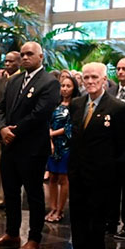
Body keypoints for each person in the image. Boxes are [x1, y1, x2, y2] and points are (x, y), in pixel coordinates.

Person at [0, 42, 61, 249]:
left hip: (31, 147)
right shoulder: (14, 81)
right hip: (9, 145)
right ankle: (12, 233)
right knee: (10, 192)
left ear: (41, 56)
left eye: (30, 54)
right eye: (22, 54)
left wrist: (14, 131)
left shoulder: (49, 82)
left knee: (34, 194)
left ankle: (34, 238)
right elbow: (0, 107)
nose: (25, 57)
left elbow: (40, 113)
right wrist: (1, 128)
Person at [60, 62, 125, 249]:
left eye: (95, 78)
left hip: (102, 174)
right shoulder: (77, 104)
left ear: (104, 80)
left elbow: (124, 144)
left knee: (97, 217)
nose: (90, 81)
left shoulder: (118, 108)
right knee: (78, 214)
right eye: (87, 77)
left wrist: (114, 170)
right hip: (78, 170)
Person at [0, 51, 21, 209]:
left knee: (14, 168)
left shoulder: (23, 80)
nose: (7, 64)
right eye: (6, 61)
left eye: (11, 61)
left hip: (14, 131)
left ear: (19, 62)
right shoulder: (1, 81)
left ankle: (13, 198)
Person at [45, 75, 80, 223]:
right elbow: (48, 120)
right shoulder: (55, 104)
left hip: (67, 145)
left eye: (68, 86)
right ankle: (52, 207)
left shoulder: (76, 104)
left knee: (63, 178)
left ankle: (60, 210)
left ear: (74, 88)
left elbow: (70, 127)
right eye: (63, 86)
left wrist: (53, 133)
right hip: (52, 144)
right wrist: (50, 136)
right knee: (52, 177)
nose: (65, 89)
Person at [107, 57, 125, 239]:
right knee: (111, 187)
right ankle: (111, 221)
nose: (120, 72)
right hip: (111, 148)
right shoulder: (112, 90)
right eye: (118, 68)